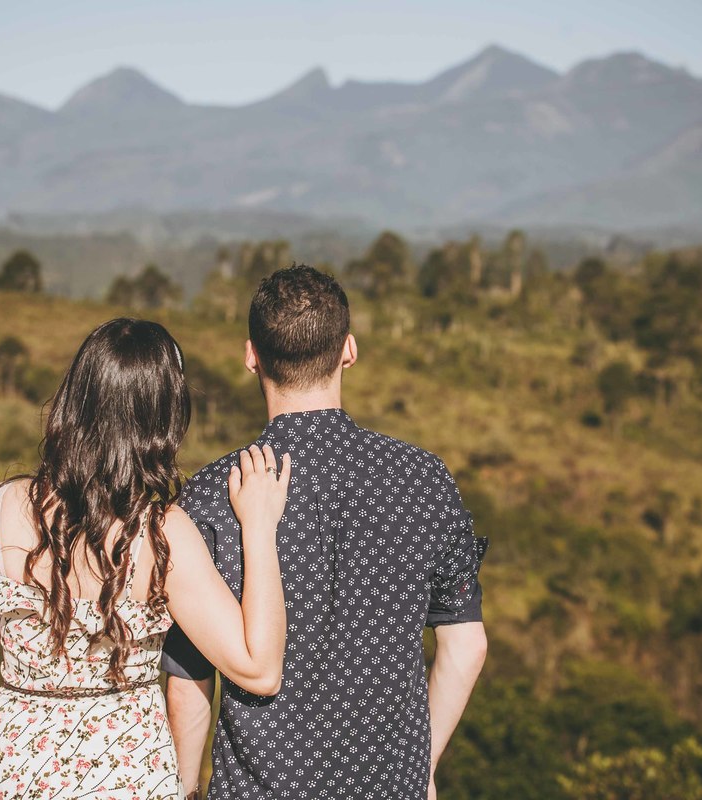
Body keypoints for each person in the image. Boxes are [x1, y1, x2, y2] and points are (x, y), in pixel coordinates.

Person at [163, 265, 490, 800]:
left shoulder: (210, 497)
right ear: (349, 351)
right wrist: (420, 767)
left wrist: (182, 786)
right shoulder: (424, 480)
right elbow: (466, 646)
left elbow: (189, 678)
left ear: (251, 356)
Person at [0, 318, 292, 800]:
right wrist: (258, 526)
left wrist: (18, 768)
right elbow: (260, 670)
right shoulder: (162, 533)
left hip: (18, 781)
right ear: (163, 418)